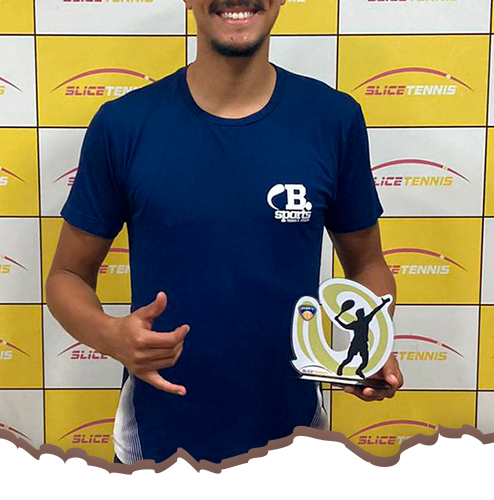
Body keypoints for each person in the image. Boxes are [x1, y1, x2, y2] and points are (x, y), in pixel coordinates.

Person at [45, 0, 402, 465]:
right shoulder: (124, 125)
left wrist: (374, 341)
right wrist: (111, 335)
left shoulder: (333, 120)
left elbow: (367, 263)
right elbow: (67, 276)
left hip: (293, 444)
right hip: (156, 448)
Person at [335, 297, 392, 378]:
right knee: (350, 359)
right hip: (357, 343)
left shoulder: (359, 322)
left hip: (361, 344)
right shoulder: (364, 320)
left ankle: (358, 370)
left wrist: (338, 320)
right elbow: (374, 311)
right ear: (360, 314)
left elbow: (375, 311)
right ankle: (341, 367)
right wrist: (383, 303)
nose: (364, 313)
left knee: (363, 360)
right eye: (362, 312)